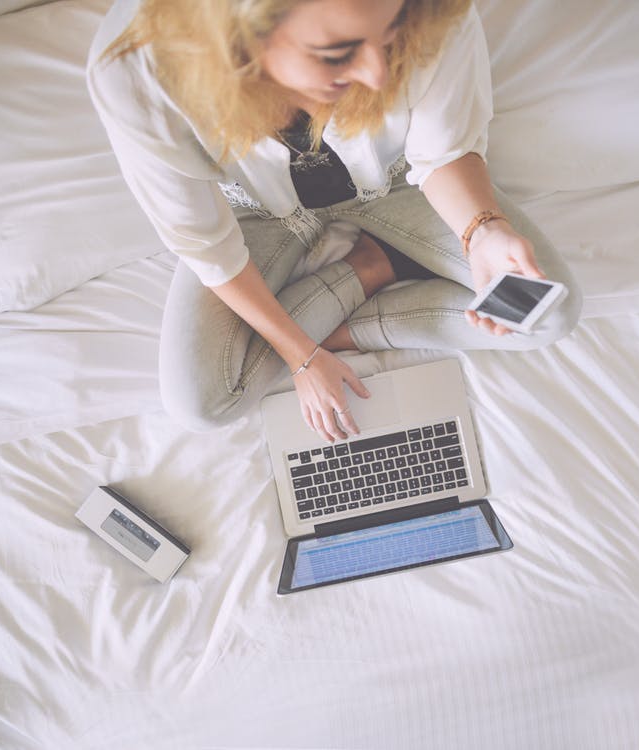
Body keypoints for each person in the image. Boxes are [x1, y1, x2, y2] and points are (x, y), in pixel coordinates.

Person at [87, 0, 582, 443]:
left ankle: (352, 306)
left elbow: (443, 151)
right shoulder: (136, 71)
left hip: (397, 181)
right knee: (202, 405)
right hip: (254, 211)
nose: (377, 75)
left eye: (389, 38)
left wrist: (482, 228)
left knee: (546, 313)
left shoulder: (433, 9)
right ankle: (372, 268)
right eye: (338, 53)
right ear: (240, 42)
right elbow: (207, 245)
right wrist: (301, 357)